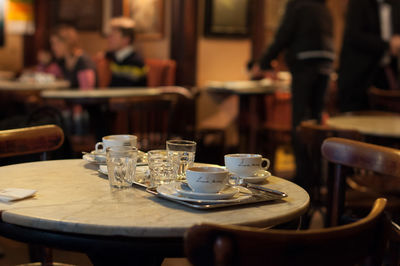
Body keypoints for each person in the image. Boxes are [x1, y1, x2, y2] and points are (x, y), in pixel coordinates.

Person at [252, 0, 334, 188]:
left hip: (305, 63)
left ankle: (304, 179)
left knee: (299, 123)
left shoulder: (297, 5)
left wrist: (264, 63)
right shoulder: (323, 8)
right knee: (317, 121)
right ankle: (317, 177)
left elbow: (283, 35)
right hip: (326, 62)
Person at [338, 0, 400, 112]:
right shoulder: (359, 4)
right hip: (359, 75)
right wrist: (387, 44)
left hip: (385, 73)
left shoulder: (395, 5)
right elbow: (353, 36)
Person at [50, 24, 97, 89]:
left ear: (68, 42)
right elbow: (46, 77)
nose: (53, 47)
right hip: (68, 98)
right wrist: (43, 64)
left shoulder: (83, 62)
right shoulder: (62, 61)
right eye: (52, 43)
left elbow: (86, 93)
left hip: (82, 98)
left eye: (57, 43)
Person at [105, 17, 147, 87]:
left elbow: (124, 93)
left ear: (126, 39)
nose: (109, 39)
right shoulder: (114, 56)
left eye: (113, 36)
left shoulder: (135, 63)